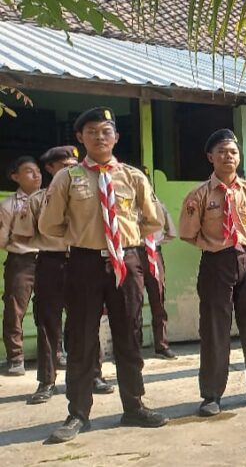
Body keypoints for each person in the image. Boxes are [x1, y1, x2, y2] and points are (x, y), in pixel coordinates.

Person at [40, 107, 168, 442]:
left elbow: (153, 220)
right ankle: (77, 413)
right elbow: (49, 224)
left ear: (116, 137)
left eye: (106, 131)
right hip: (84, 262)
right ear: (80, 138)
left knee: (129, 332)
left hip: (127, 260)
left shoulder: (132, 176)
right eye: (92, 131)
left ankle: (134, 406)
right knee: (82, 337)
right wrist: (84, 234)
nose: (100, 136)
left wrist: (123, 239)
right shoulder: (67, 179)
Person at [179, 129, 246, 417]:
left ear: (239, 156)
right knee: (214, 328)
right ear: (211, 157)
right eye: (222, 151)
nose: (228, 156)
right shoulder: (199, 195)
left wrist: (244, 248)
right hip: (215, 262)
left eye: (233, 152)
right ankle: (211, 395)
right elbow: (188, 233)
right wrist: (215, 247)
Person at [15, 146, 111, 403]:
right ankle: (47, 381)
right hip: (51, 262)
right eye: (63, 165)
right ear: (50, 169)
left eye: (73, 164)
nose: (70, 169)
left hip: (84, 260)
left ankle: (95, 374)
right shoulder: (37, 200)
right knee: (48, 323)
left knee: (87, 320)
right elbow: (21, 234)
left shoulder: (91, 195)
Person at [1, 156, 41, 376]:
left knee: (51, 308)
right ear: (15, 177)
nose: (36, 175)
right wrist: (20, 247)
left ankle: (54, 353)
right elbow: (2, 238)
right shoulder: (8, 205)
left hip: (47, 259)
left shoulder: (49, 200)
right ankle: (15, 358)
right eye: (28, 171)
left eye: (37, 170)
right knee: (14, 310)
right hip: (21, 262)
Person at [143, 201, 178, 359]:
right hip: (131, 253)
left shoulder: (158, 205)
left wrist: (156, 242)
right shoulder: (124, 203)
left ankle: (161, 344)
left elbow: (171, 231)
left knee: (158, 298)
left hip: (154, 253)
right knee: (130, 302)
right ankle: (132, 344)